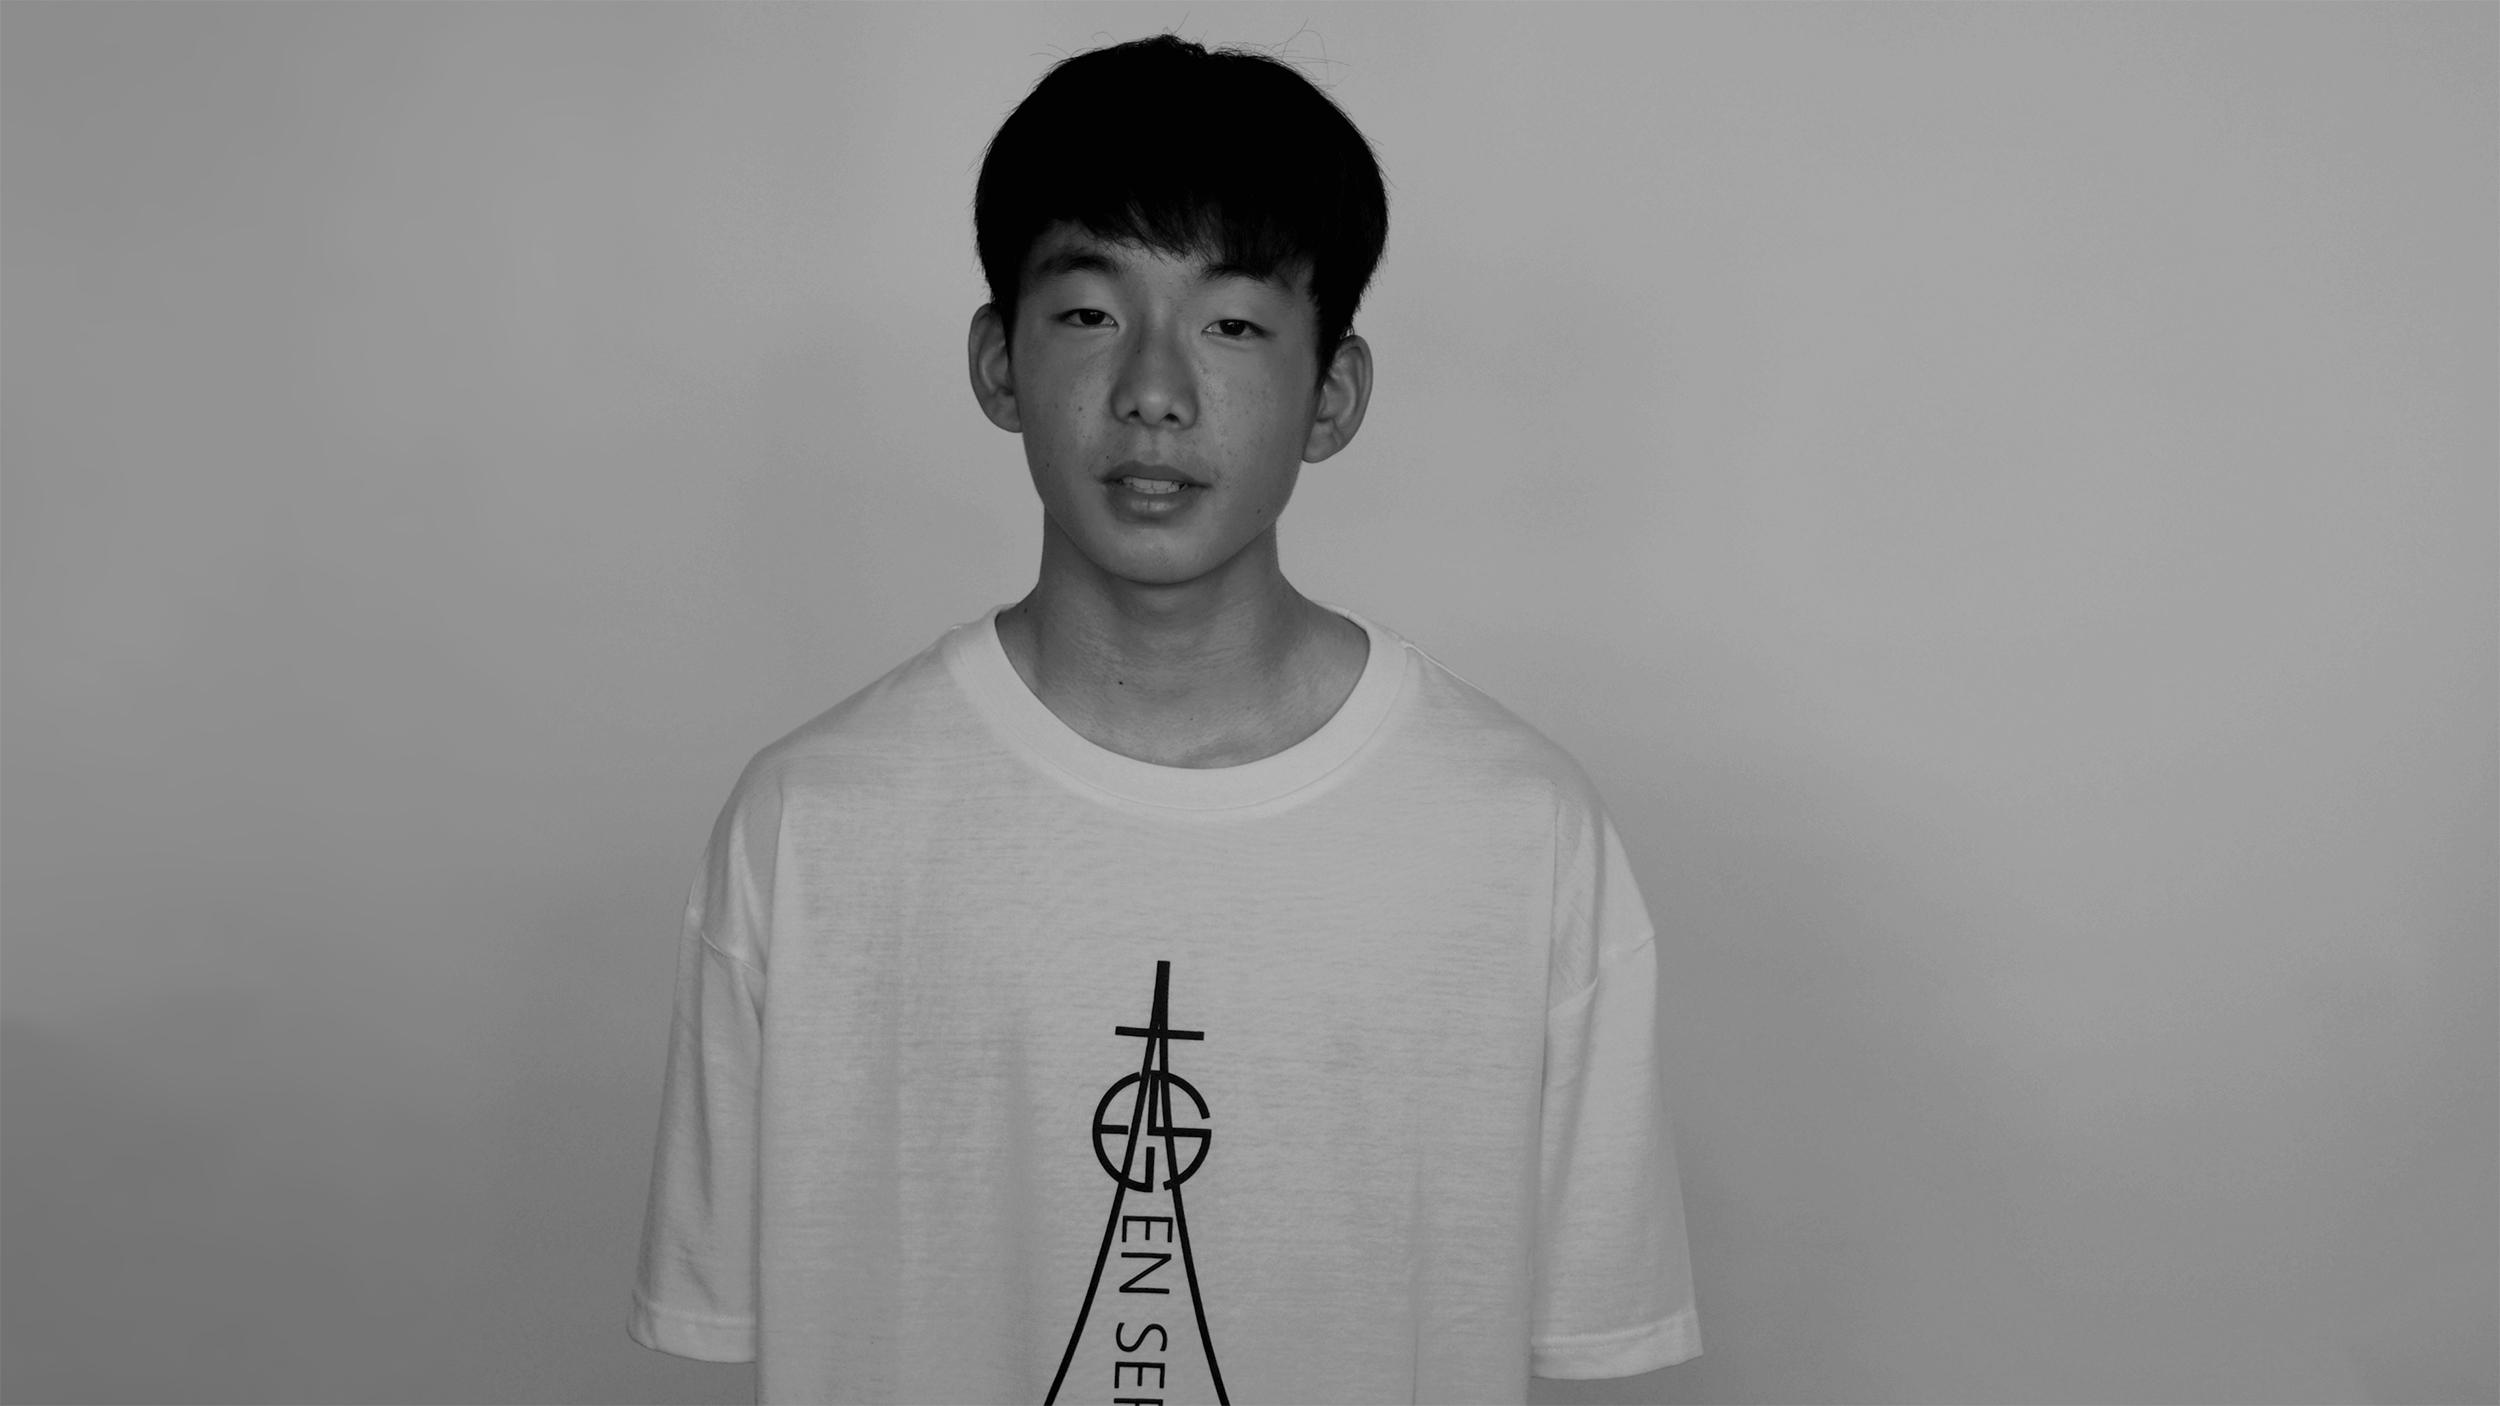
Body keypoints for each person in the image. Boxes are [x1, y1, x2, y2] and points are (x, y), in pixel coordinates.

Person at [629, 34, 1699, 1405]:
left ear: (1334, 394)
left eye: (1232, 324)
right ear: (998, 362)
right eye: (1089, 313)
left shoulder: (1520, 835)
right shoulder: (811, 828)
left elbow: (1588, 1335)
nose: (1154, 390)